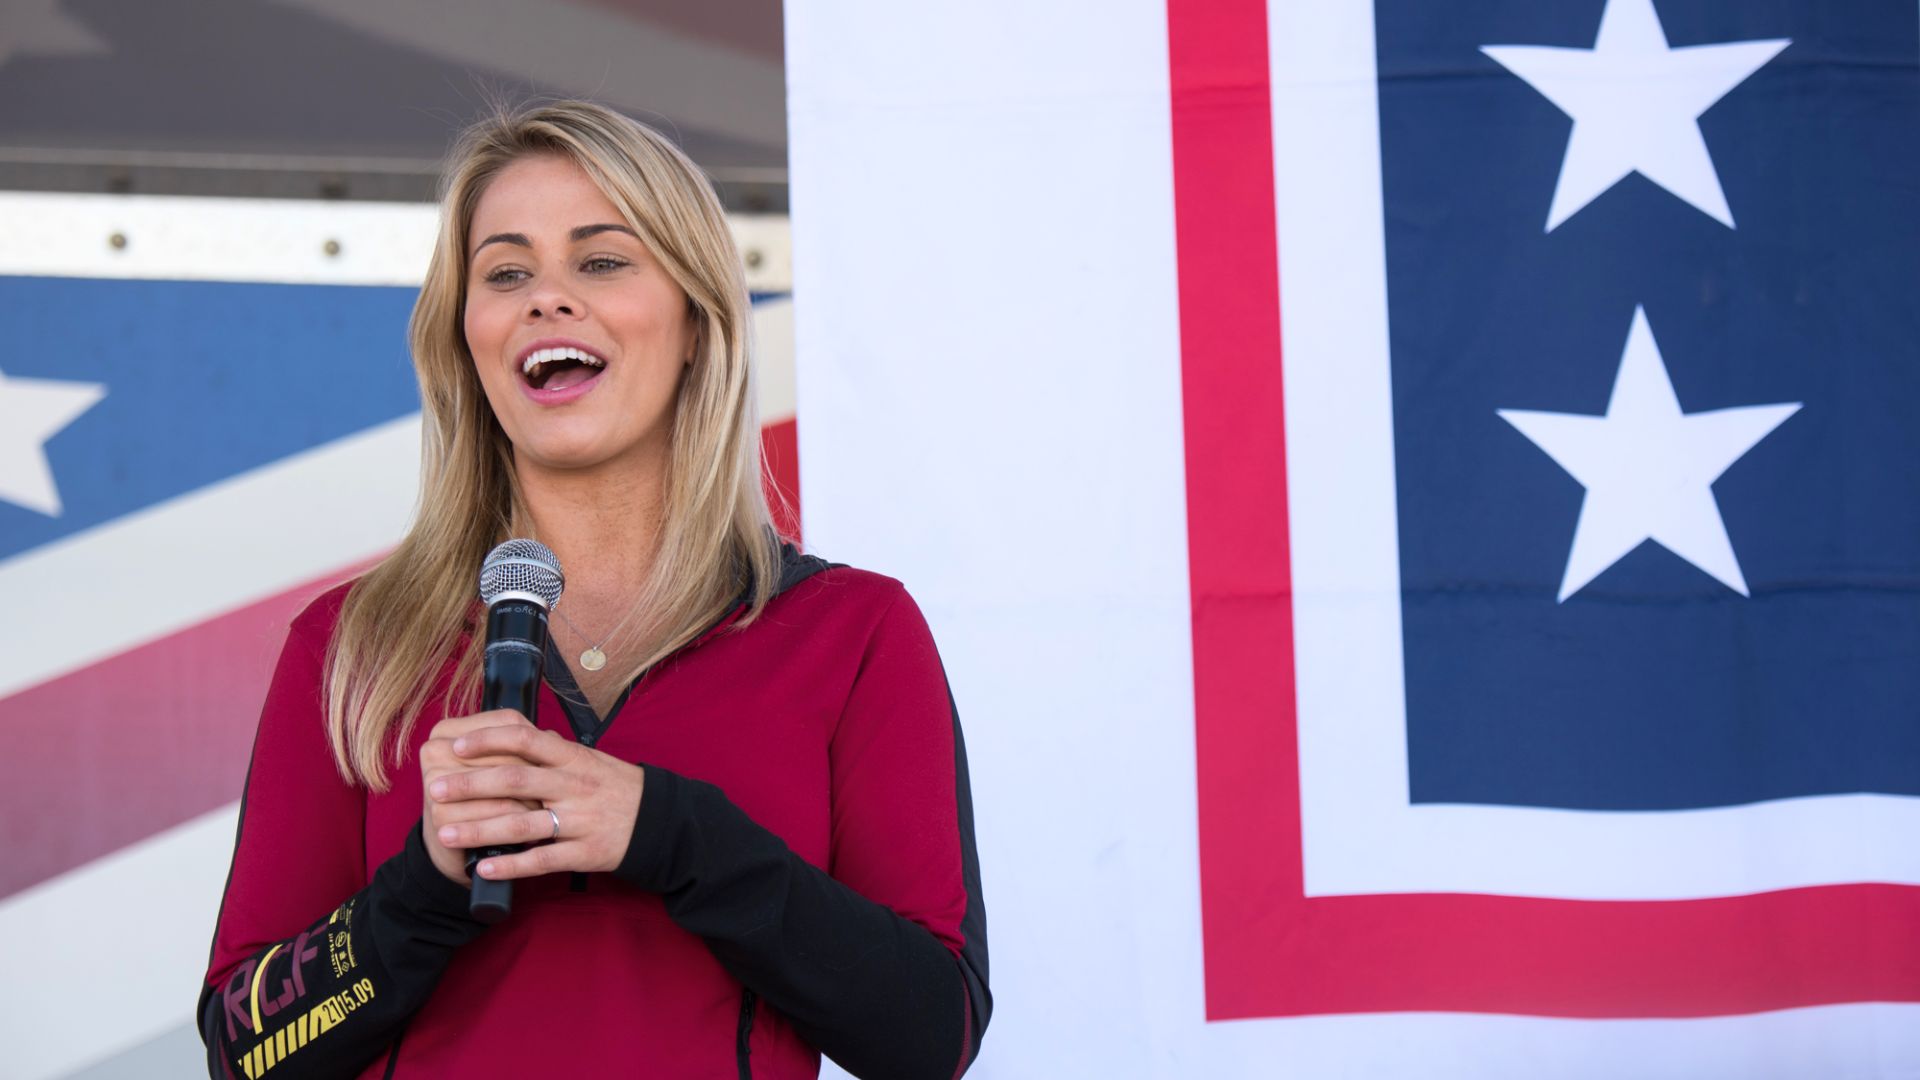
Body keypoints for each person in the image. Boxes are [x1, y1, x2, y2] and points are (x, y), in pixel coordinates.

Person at [196, 98, 990, 1079]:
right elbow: (244, 1053)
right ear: (466, 337)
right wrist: (422, 890)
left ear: (696, 322)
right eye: (506, 273)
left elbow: (927, 1036)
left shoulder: (852, 632)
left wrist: (672, 834)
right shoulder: (350, 645)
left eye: (602, 261)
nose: (547, 299)